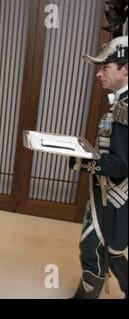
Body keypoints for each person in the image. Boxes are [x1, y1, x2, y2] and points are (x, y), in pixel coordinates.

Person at [69, 36, 127, 299]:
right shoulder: (120, 102)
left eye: (105, 67)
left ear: (124, 68)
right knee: (111, 250)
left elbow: (120, 165)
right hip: (107, 191)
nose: (99, 73)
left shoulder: (125, 107)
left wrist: (82, 161)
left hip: (115, 194)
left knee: (94, 246)